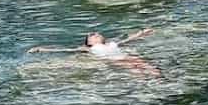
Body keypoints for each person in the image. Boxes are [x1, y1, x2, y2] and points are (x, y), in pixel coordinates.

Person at [26, 29, 160, 78]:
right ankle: (146, 81)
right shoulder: (89, 49)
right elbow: (66, 50)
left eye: (97, 34)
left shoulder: (111, 43)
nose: (96, 35)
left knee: (143, 64)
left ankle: (158, 77)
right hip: (113, 60)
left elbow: (128, 40)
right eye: (92, 35)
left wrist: (141, 33)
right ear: (88, 42)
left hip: (124, 56)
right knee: (133, 68)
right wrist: (42, 49)